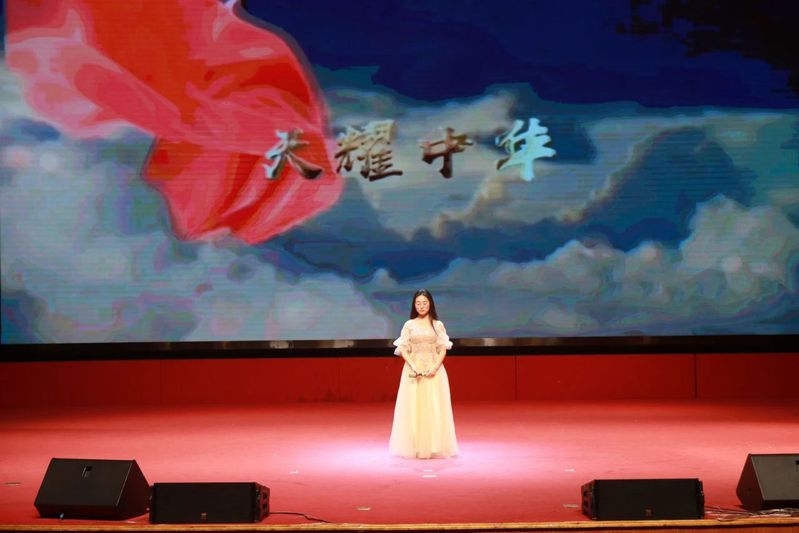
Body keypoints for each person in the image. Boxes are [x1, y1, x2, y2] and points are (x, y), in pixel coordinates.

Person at [389, 289, 458, 458]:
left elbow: (443, 349)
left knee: (434, 406)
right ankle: (414, 445)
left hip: (434, 371)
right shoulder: (409, 325)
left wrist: (435, 367)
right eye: (418, 303)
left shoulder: (437, 325)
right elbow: (403, 349)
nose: (421, 306)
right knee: (413, 407)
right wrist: (413, 365)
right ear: (414, 305)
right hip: (413, 371)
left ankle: (434, 445)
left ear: (430, 304)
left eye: (425, 303)